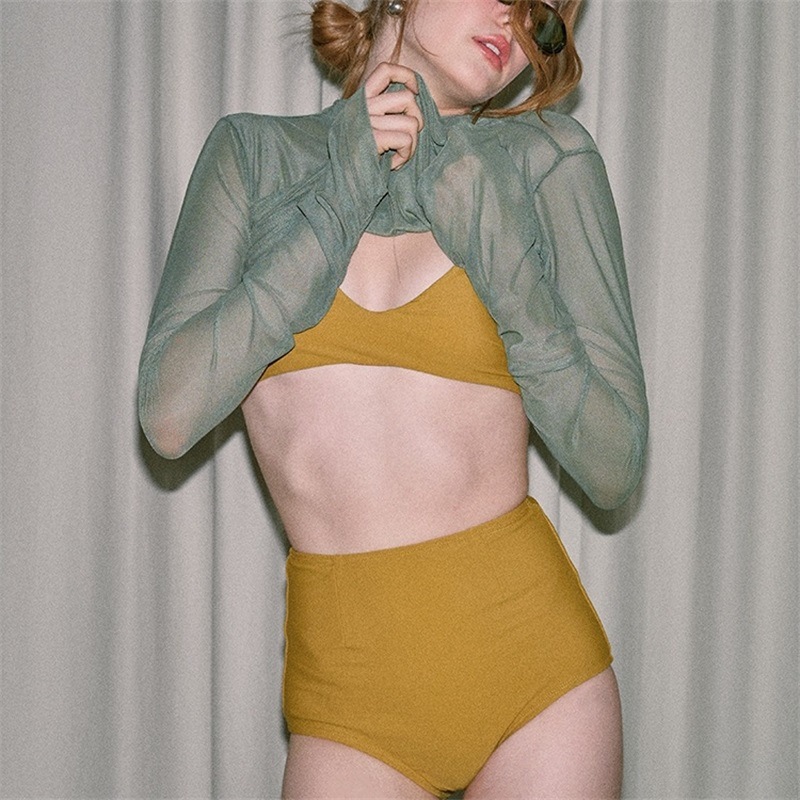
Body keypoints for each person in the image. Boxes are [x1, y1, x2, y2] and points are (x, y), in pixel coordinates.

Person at [138, 0, 648, 796]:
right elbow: (169, 415)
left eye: (542, 17)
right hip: (349, 701)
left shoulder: (548, 160)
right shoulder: (255, 156)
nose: (515, 24)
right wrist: (336, 204)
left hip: (538, 679)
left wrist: (502, 255)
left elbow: (615, 466)